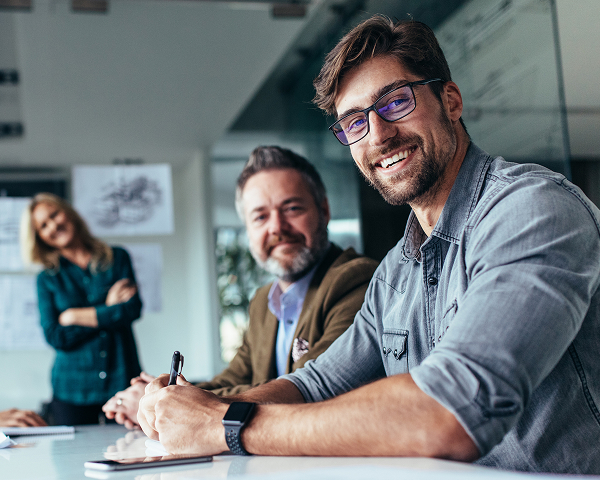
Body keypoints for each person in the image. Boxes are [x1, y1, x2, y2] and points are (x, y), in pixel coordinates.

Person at [136, 16, 600, 475]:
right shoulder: (396, 270)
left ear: (451, 100)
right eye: (354, 122)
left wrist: (228, 424)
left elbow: (449, 412)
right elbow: (317, 384)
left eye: (396, 101)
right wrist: (196, 408)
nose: (377, 134)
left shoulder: (531, 209)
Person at [102, 146, 378, 429]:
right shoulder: (263, 301)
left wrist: (168, 403)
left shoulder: (355, 280)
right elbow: (234, 379)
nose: (276, 227)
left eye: (292, 208)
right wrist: (165, 395)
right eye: (260, 216)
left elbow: (310, 387)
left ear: (324, 210)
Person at [21, 193, 143, 426]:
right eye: (43, 225)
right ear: (39, 237)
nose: (53, 225)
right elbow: (56, 336)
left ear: (68, 212)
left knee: (131, 453)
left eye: (54, 215)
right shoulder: (47, 278)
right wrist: (108, 308)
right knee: (71, 461)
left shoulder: (117, 258)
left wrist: (74, 316)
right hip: (72, 389)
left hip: (122, 379)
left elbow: (131, 310)